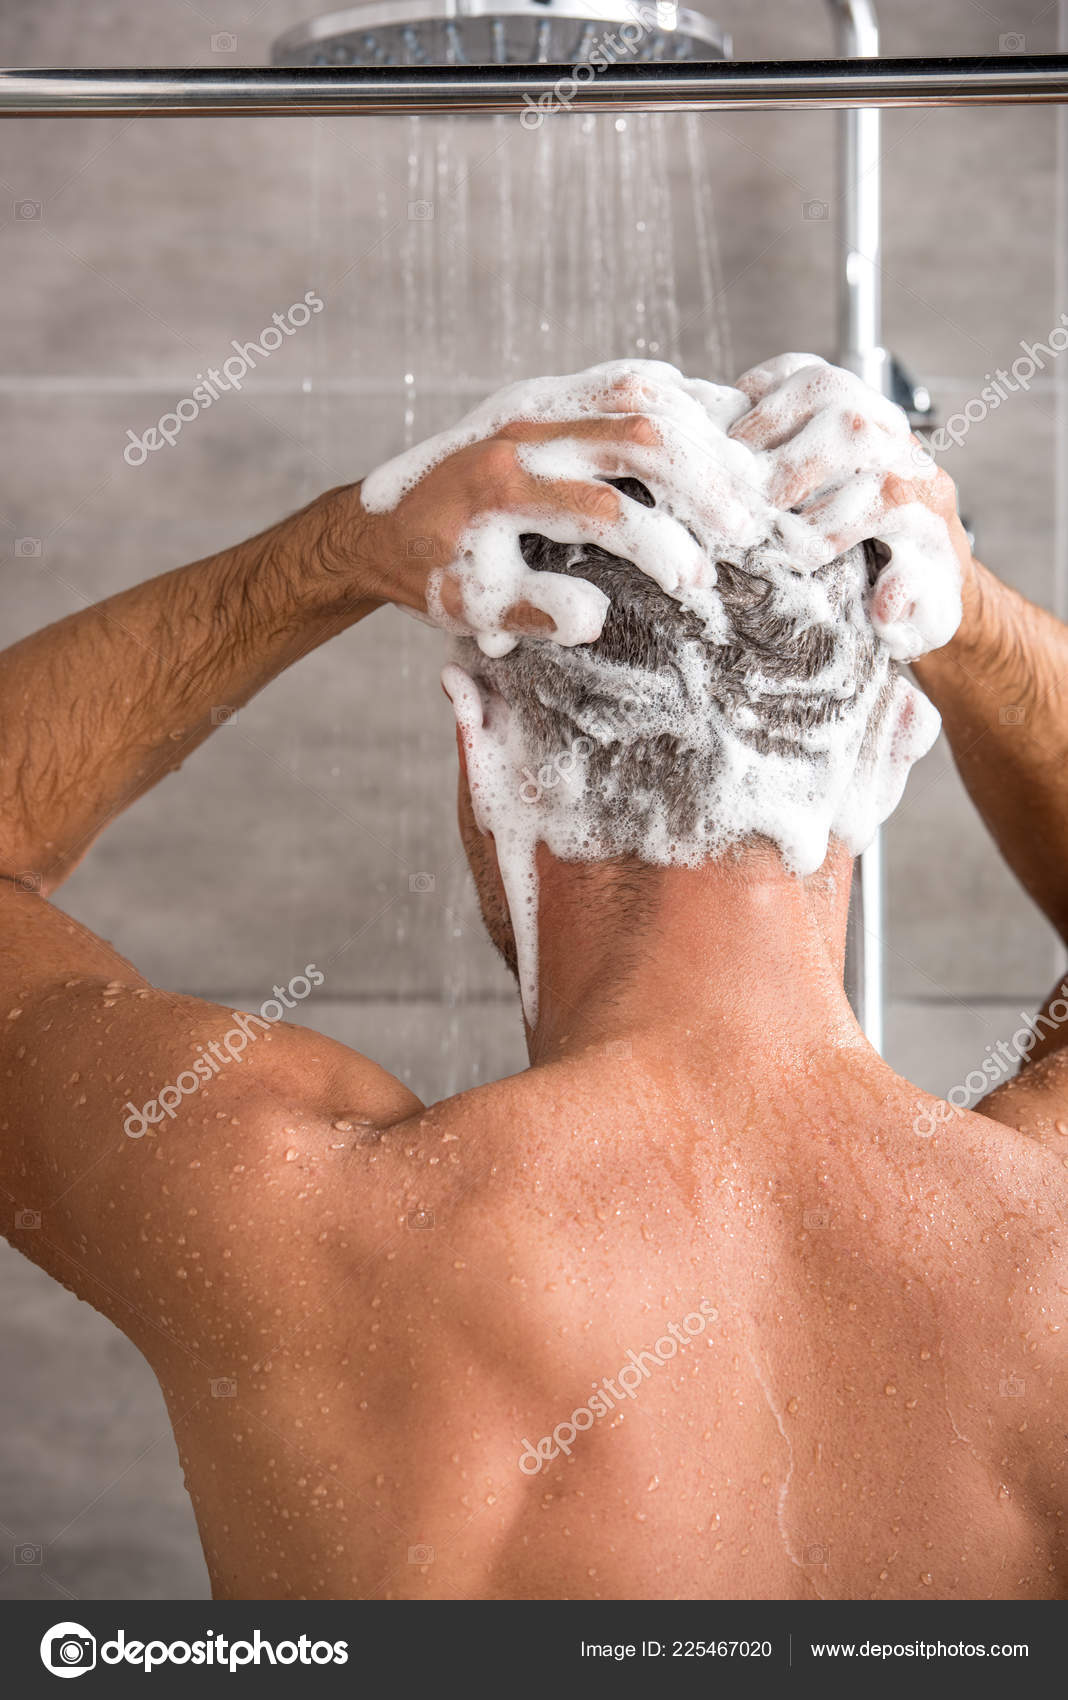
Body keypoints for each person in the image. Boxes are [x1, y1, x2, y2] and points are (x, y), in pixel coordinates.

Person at [0, 356, 1065, 1602]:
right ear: (889, 752)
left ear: (480, 751)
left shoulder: (289, 1209)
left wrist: (331, 551)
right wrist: (972, 621)